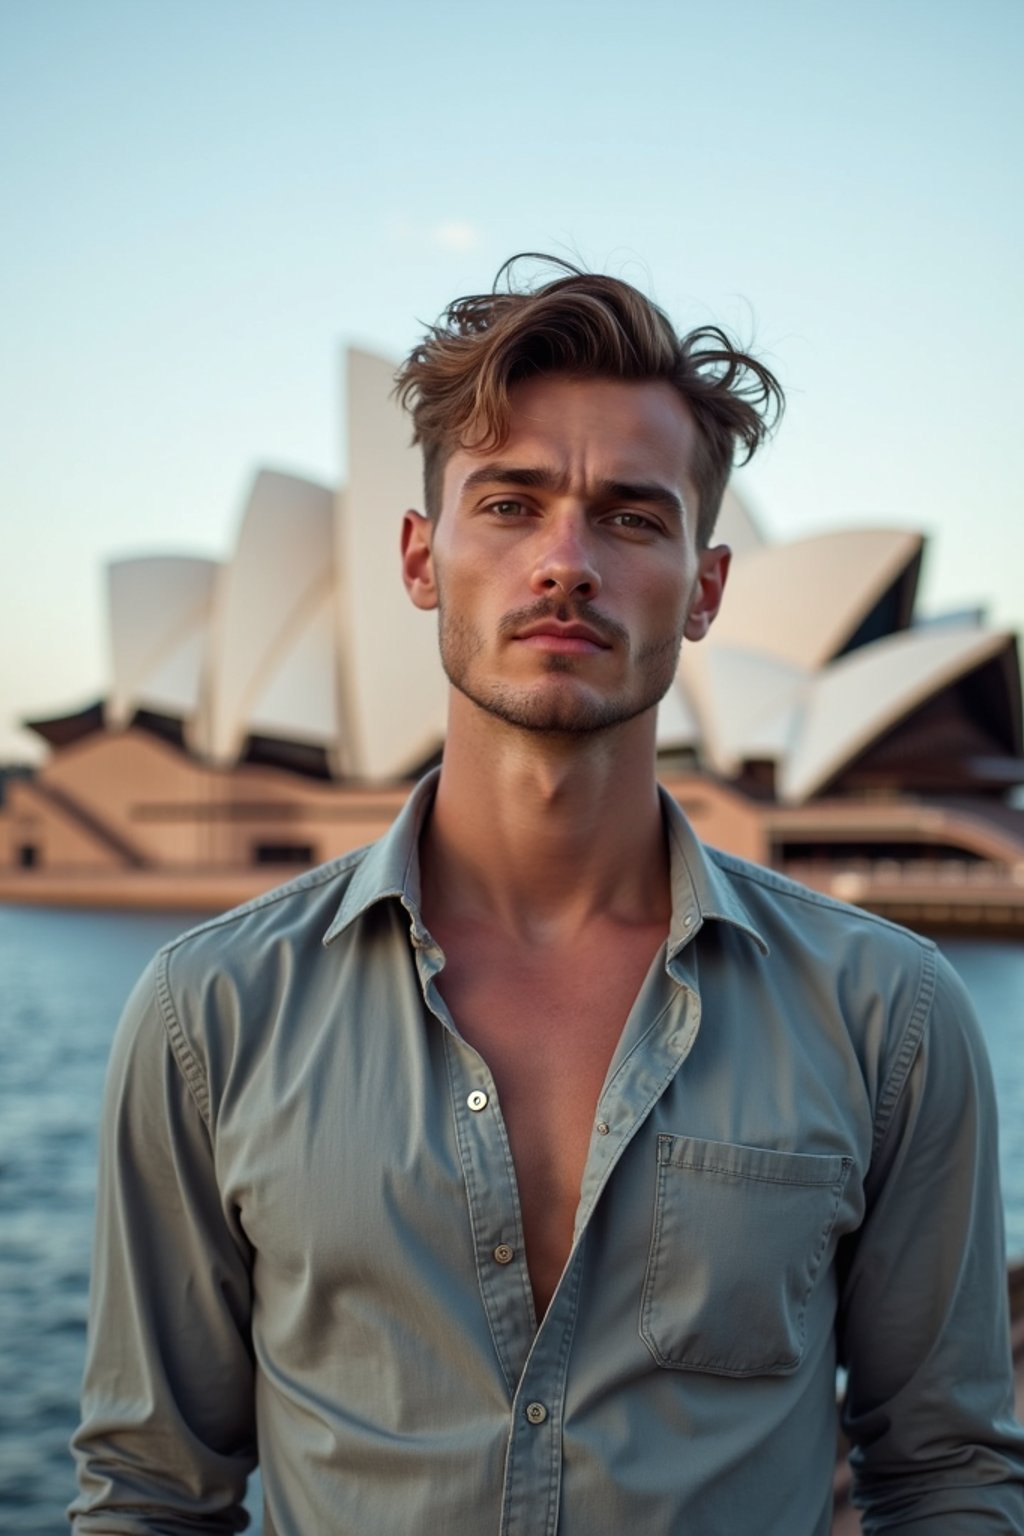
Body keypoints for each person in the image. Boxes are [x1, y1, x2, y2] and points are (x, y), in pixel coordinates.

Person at [71, 257, 1024, 1533]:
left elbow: (947, 1475)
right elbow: (147, 1491)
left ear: (706, 590)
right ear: (420, 559)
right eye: (510, 504)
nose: (565, 561)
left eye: (631, 515)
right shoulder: (214, 1010)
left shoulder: (887, 1014)